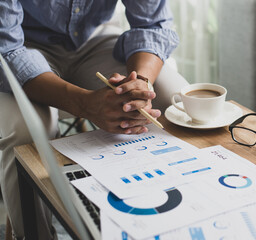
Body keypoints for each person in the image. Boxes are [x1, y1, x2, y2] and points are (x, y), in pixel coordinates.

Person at [0, 0, 188, 239]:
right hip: (21, 43)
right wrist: (85, 104)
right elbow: (6, 49)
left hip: (95, 38)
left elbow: (153, 24)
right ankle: (34, 234)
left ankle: (169, 220)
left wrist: (140, 84)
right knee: (28, 128)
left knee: (177, 101)